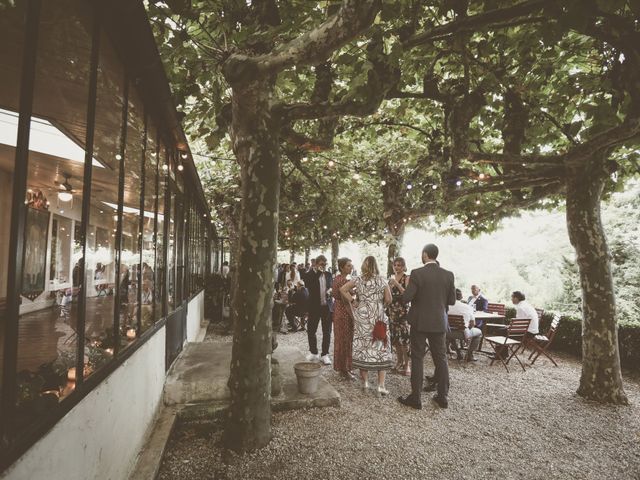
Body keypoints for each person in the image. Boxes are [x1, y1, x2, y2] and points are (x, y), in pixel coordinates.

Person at [398, 244, 456, 410]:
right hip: (439, 321)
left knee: (417, 357)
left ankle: (416, 398)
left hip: (420, 322)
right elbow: (451, 301)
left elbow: (406, 298)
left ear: (425, 254)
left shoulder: (417, 273)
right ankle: (443, 397)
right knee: (441, 358)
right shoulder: (448, 274)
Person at [340, 256, 393, 395]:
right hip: (378, 316)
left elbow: (342, 289)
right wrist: (381, 305)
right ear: (376, 266)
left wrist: (354, 301)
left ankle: (365, 383)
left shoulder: (358, 279)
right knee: (381, 347)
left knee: (363, 347)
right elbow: (389, 299)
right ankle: (381, 385)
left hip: (362, 316)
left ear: (363, 266)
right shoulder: (382, 280)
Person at [305, 255, 333, 365]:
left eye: (325, 264)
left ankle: (324, 354)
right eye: (322, 264)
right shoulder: (310, 274)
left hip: (327, 307)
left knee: (327, 332)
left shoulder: (329, 274)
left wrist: (330, 290)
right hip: (314, 307)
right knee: (311, 330)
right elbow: (308, 285)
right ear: (316, 264)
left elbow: (331, 286)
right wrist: (317, 272)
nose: (324, 266)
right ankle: (313, 352)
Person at [332, 257, 355, 379]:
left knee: (341, 340)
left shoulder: (337, 278)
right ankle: (344, 370)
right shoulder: (342, 280)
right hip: (344, 312)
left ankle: (343, 367)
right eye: (348, 266)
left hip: (338, 311)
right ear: (341, 267)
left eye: (351, 265)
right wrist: (353, 315)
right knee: (345, 340)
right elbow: (346, 302)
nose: (351, 267)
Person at [388, 257, 411, 375]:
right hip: (392, 311)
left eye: (399, 265)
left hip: (402, 311)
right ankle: (399, 362)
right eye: (395, 265)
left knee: (404, 339)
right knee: (396, 340)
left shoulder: (406, 278)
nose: (396, 267)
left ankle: (407, 365)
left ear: (403, 266)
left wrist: (396, 283)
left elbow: (407, 294)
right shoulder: (391, 279)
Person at [448, 288, 483, 362]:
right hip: (463, 334)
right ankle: (469, 355)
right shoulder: (468, 307)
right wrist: (468, 330)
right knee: (479, 332)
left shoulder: (446, 307)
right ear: (461, 297)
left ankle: (458, 352)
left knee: (451, 329)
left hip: (447, 333)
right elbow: (472, 324)